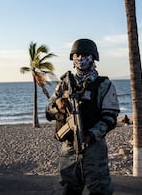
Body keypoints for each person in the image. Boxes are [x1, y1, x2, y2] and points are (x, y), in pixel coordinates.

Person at [46, 38, 120, 195]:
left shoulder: (104, 85)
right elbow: (48, 111)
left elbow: (110, 118)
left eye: (85, 54)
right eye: (77, 54)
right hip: (68, 150)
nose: (80, 58)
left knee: (100, 189)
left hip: (94, 149)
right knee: (69, 188)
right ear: (72, 58)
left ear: (93, 57)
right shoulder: (65, 84)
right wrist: (57, 104)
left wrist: (91, 135)